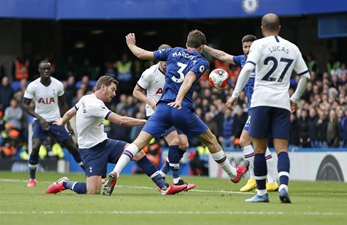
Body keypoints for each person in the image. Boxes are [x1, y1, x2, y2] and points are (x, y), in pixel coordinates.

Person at [103, 30, 248, 196]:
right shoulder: (201, 61)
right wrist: (179, 99)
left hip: (162, 108)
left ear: (187, 44)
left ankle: (116, 172)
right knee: (210, 140)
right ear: (201, 47)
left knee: (138, 143)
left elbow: (142, 54)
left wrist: (131, 45)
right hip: (181, 109)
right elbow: (189, 78)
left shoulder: (172, 52)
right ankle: (233, 174)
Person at [45, 75, 186, 195]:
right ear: (103, 87)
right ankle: (65, 184)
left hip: (105, 143)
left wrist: (62, 121)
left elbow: (70, 112)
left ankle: (164, 186)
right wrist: (147, 121)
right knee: (92, 190)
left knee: (137, 152)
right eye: (112, 90)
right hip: (90, 150)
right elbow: (121, 121)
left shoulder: (85, 98)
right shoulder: (96, 105)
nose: (114, 94)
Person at [227, 13, 310, 203]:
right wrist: (295, 98)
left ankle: (262, 193)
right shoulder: (292, 47)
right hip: (282, 102)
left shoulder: (258, 45)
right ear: (279, 27)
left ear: (262, 28)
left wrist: (234, 95)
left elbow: (247, 69)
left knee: (259, 149)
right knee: (282, 150)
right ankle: (283, 186)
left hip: (261, 101)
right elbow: (306, 76)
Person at [203, 35, 279, 192]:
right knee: (261, 145)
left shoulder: (262, 60)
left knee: (244, 141)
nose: (247, 49)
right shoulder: (243, 60)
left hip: (262, 105)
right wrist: (205, 47)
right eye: (245, 47)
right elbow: (223, 56)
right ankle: (270, 180)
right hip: (254, 107)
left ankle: (255, 178)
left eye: (250, 46)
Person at [132, 43, 195, 190]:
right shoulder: (150, 73)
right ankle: (177, 179)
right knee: (175, 141)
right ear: (159, 57)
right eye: (164, 59)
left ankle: (162, 172)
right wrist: (150, 101)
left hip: (173, 109)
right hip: (157, 113)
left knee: (184, 144)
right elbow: (136, 91)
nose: (167, 62)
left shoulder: (177, 70)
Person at [22, 60, 84, 187]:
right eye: (43, 69)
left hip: (56, 120)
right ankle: (32, 179)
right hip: (40, 121)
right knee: (35, 146)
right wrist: (40, 118)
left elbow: (62, 104)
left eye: (48, 69)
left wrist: (67, 123)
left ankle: (89, 174)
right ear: (39, 71)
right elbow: (25, 105)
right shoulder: (33, 86)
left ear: (51, 70)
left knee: (71, 146)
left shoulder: (58, 85)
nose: (46, 71)